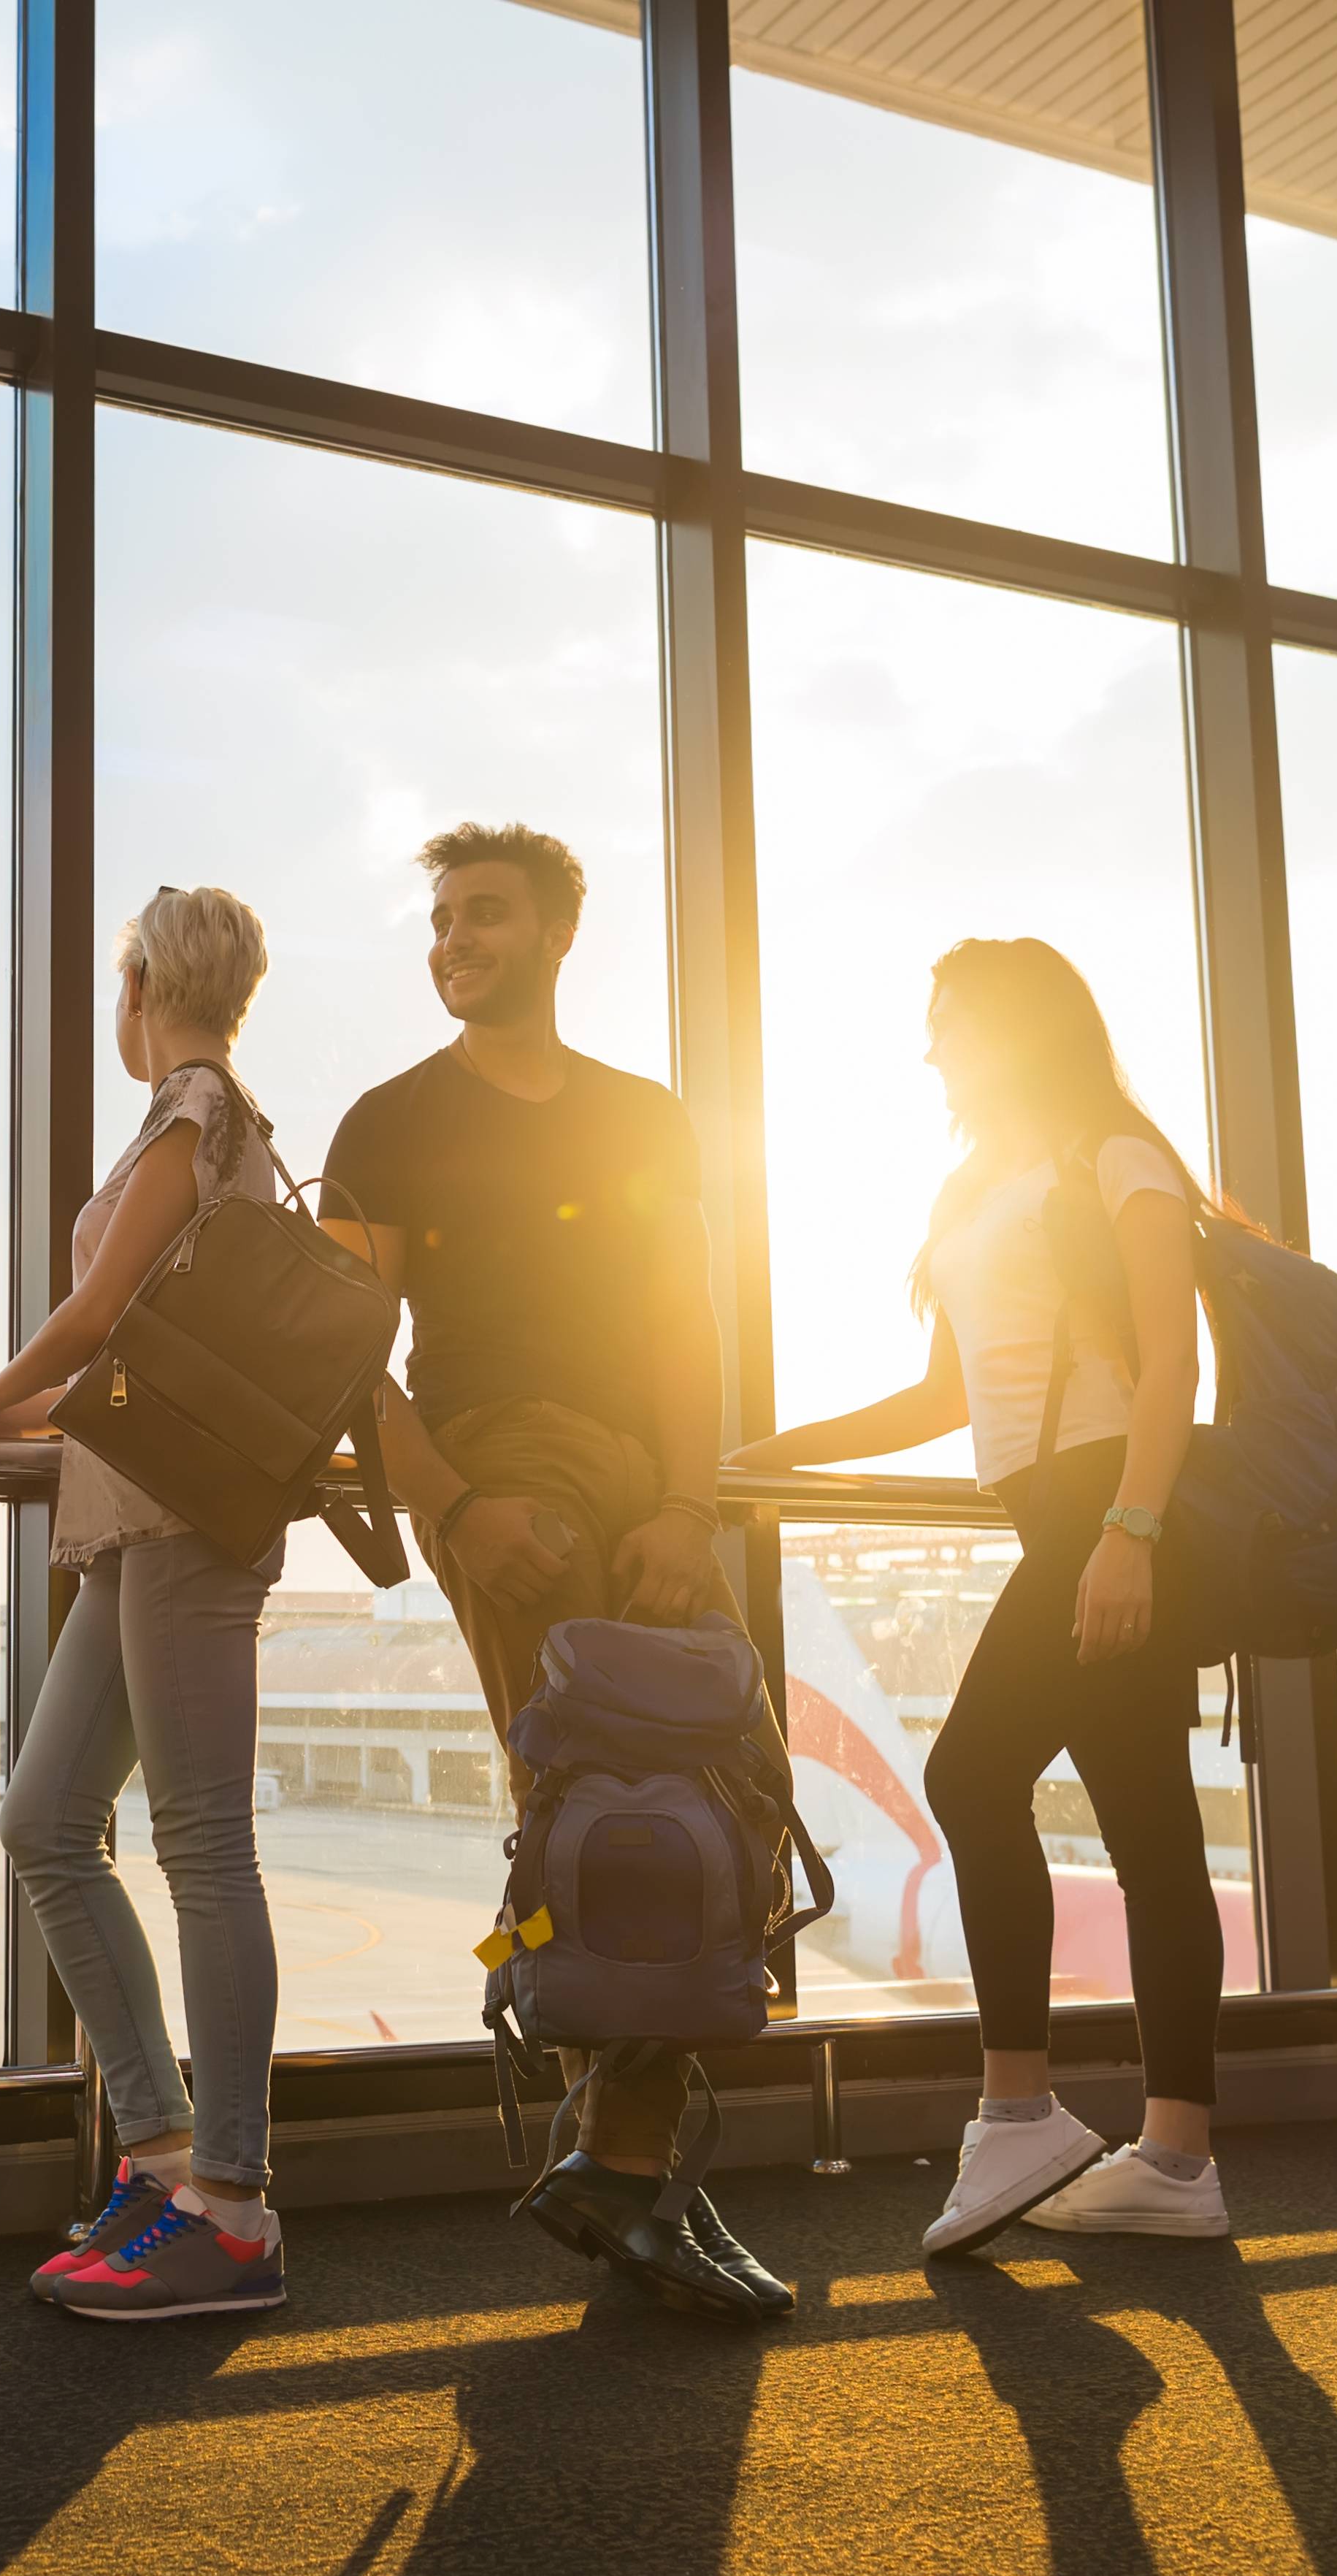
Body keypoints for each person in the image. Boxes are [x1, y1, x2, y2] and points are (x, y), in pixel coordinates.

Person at [317, 822, 787, 2324]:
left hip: (641, 1479)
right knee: (612, 1807)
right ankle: (630, 2172)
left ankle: (623, 2165)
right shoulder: (388, 1122)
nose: (453, 938)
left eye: (485, 915)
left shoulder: (642, 1118)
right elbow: (341, 1352)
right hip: (506, 1468)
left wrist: (692, 1501)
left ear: (557, 935)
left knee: (727, 1786)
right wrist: (456, 1511)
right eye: (440, 918)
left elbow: (685, 1329)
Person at [728, 937, 1226, 2253]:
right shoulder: (973, 1185)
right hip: (1052, 1513)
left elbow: (1175, 1364)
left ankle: (1022, 2110)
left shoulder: (1113, 1155)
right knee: (1151, 1834)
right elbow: (944, 1398)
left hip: (1101, 1511)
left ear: (1013, 1027)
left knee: (966, 1777)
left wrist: (1128, 1531)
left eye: (948, 1019)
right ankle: (1176, 2161)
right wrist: (778, 1453)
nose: (930, 1045)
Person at [0, 887, 291, 2320]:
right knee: (45, 1822)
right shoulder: (196, 1123)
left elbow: (92, 1318)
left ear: (136, 979)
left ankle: (235, 2211)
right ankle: (165, 2157)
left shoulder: (193, 1110)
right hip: (136, 1512)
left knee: (201, 1843)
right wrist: (18, 1424)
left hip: (186, 1524)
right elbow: (138, 1361)